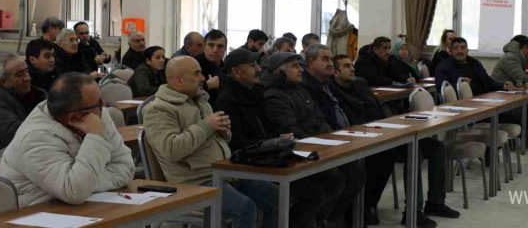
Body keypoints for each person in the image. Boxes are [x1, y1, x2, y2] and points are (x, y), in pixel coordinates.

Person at [144, 56, 278, 228]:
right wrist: (207, 126)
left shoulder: (200, 99)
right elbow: (171, 149)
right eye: (197, 74)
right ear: (179, 80)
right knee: (244, 208)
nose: (203, 79)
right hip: (194, 180)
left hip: (223, 172)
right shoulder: (158, 109)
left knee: (275, 196)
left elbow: (213, 138)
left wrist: (224, 132)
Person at [213, 48, 339, 228]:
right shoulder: (227, 101)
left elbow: (267, 129)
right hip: (248, 165)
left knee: (330, 179)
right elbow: (234, 143)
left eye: (257, 64)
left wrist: (279, 138)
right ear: (236, 72)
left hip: (268, 157)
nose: (259, 69)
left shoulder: (256, 94)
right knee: (314, 191)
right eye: (252, 65)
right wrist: (269, 144)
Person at [331, 54, 458, 227]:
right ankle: (412, 211)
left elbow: (376, 109)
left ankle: (435, 203)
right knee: (411, 152)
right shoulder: (331, 89)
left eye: (351, 65)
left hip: (384, 131)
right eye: (346, 66)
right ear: (335, 72)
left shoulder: (360, 84)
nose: (352, 68)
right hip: (361, 137)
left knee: (436, 147)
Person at [0, 72, 133, 206]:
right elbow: (75, 192)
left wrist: (87, 183)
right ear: (74, 118)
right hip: (35, 214)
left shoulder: (98, 116)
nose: (104, 105)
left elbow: (126, 167)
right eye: (98, 103)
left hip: (81, 207)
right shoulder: (34, 138)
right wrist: (96, 136)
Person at [265, 52, 364, 228]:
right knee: (332, 180)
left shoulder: (300, 89)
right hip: (297, 153)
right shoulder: (274, 96)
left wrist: (333, 139)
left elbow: (319, 119)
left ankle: (324, 219)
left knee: (355, 172)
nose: (300, 70)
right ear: (280, 72)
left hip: (319, 146)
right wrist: (322, 142)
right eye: (294, 66)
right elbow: (291, 130)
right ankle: (313, 222)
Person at [0, 54, 47, 156]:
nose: (27, 78)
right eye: (19, 74)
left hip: (36, 154)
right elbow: (17, 134)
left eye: (26, 71)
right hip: (7, 161)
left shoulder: (38, 94)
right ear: (3, 82)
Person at [435, 37, 512, 95]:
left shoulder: (475, 63)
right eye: (456, 48)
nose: (460, 51)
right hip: (460, 103)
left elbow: (488, 82)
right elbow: (442, 87)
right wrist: (460, 85)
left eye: (463, 48)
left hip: (483, 99)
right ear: (451, 51)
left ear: (467, 50)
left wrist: (502, 85)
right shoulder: (443, 67)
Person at [198, 29, 228, 103]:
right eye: (211, 45)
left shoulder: (226, 68)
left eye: (220, 46)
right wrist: (207, 85)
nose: (215, 50)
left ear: (225, 49)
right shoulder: (194, 66)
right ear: (204, 47)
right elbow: (185, 94)